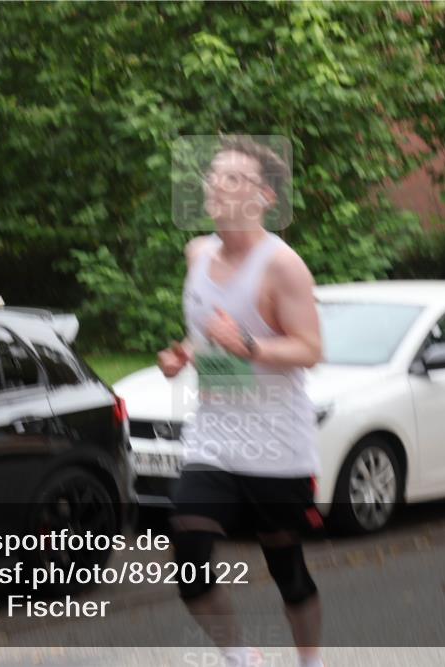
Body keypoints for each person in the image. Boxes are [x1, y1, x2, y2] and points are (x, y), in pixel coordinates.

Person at [158, 136, 325, 667]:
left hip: (276, 439)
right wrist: (183, 352)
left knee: (286, 567)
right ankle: (239, 656)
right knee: (187, 553)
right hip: (215, 433)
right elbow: (209, 332)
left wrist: (248, 345)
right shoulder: (198, 253)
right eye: (213, 174)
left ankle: (310, 662)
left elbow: (311, 349)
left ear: (264, 198)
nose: (216, 184)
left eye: (233, 178)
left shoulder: (284, 266)